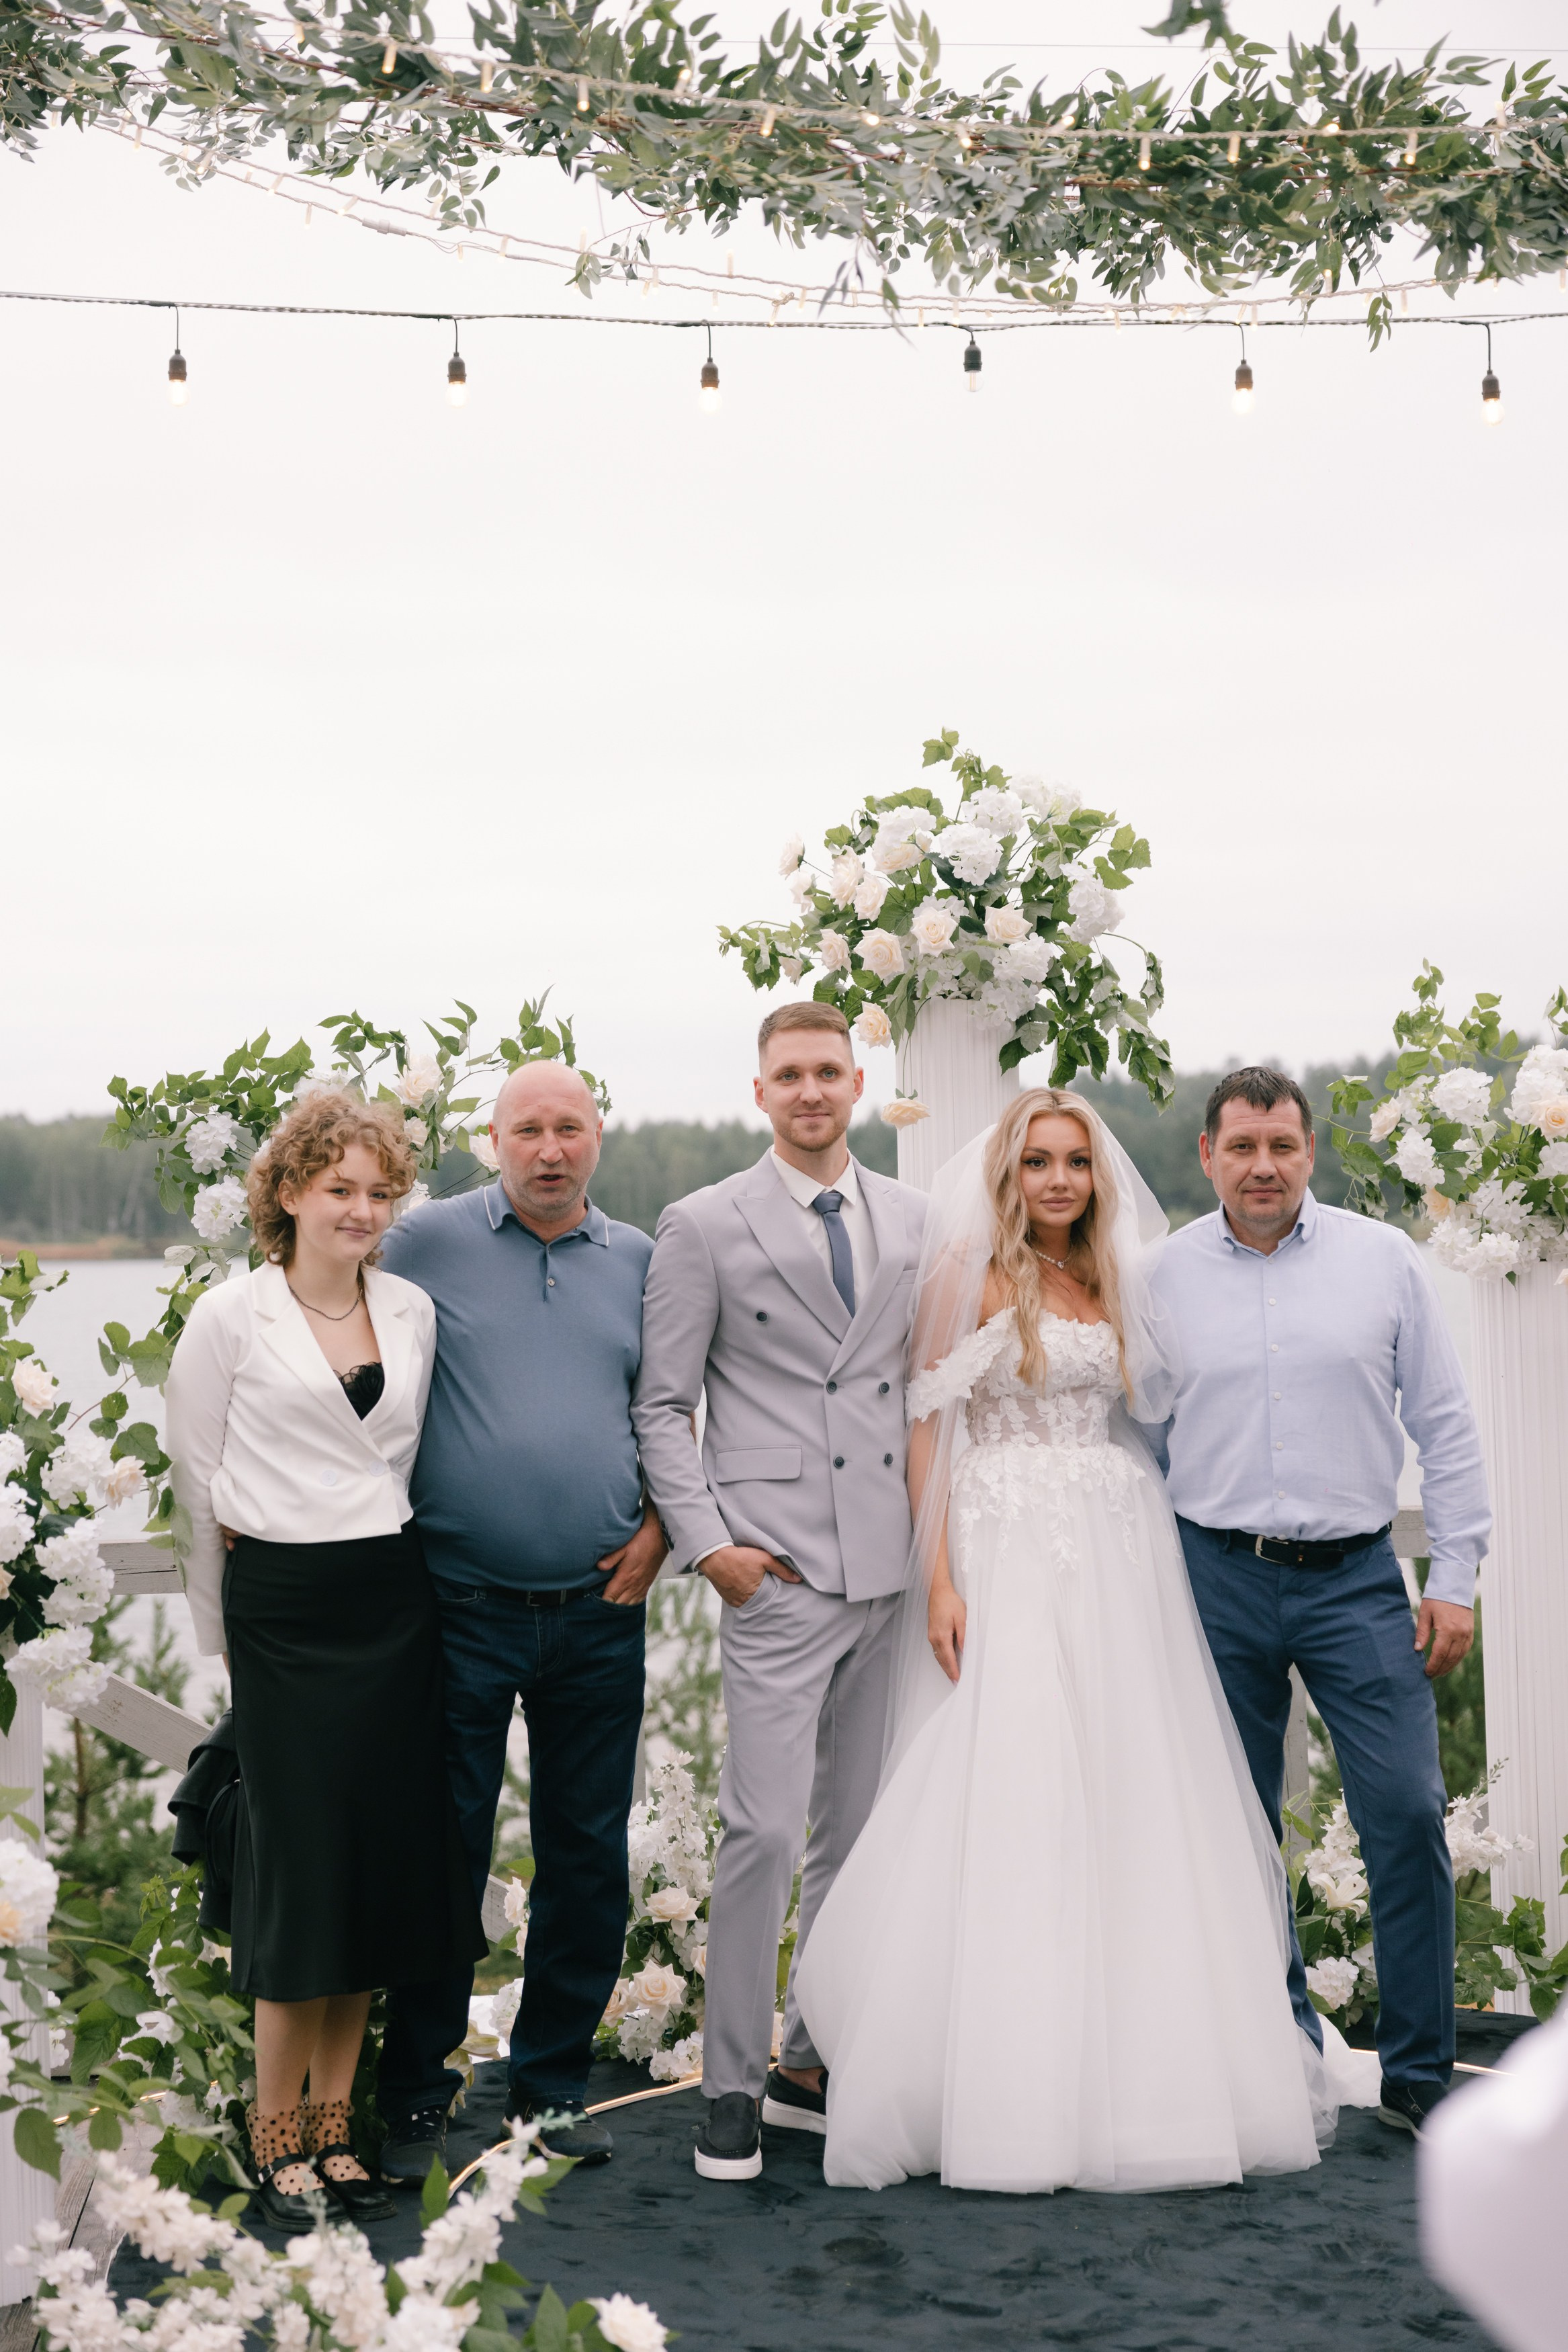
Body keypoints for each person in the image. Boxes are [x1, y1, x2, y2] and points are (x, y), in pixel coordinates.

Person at [795, 1089, 1335, 2193]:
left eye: (1074, 1163)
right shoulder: (968, 1276)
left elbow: (1174, 1410)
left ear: (1096, 1177)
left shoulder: (1112, 1279)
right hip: (1000, 1544)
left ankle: (1141, 2069)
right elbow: (925, 1423)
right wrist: (936, 1576)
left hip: (1117, 1549)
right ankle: (995, 2079)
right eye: (1036, 1161)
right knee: (1010, 1784)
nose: (1056, 1180)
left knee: (1128, 1793)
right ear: (1007, 1173)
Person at [1148, 1066, 1490, 2140]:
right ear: (1207, 1156)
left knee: (1401, 1815)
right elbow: (1141, 1439)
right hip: (1212, 1576)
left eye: (1281, 1147)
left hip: (1354, 1579)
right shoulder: (1158, 1277)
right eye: (1241, 1147)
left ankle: (1419, 2072)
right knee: (1234, 1828)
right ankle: (1277, 2048)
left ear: (1309, 1154)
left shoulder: (1382, 1262)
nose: (1262, 1167)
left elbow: (1444, 1425)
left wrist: (1453, 1579)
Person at [166, 1091, 484, 2230]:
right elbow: (198, 1492)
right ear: (288, 1191)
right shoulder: (228, 1320)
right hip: (284, 1616)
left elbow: (403, 1462)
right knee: (300, 1879)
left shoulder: (408, 1310)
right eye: (338, 1188)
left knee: (372, 1871)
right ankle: (275, 2137)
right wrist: (225, 1651)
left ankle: (338, 2129)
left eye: (378, 1193)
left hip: (391, 1604)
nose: (360, 1210)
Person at [632, 1001, 927, 2183]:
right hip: (776, 1574)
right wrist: (712, 1549)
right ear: (760, 1093)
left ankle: (810, 2058)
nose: (810, 1091)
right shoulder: (702, 1223)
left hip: (888, 1569)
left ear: (855, 1083)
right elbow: (663, 1405)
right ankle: (732, 2085)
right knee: (759, 1832)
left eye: (827, 1072)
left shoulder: (912, 1220)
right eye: (787, 1075)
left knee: (852, 1832)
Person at [374, 1060, 664, 2179]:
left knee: (585, 1855)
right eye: (527, 1131)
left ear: (600, 1135)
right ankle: (414, 2091)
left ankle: (546, 2093)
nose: (550, 1149)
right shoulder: (425, 1241)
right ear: (490, 1140)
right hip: (456, 1605)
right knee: (442, 1849)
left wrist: (661, 1531)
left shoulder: (638, 1260)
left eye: (570, 1129)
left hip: (602, 1606)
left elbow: (678, 1406)